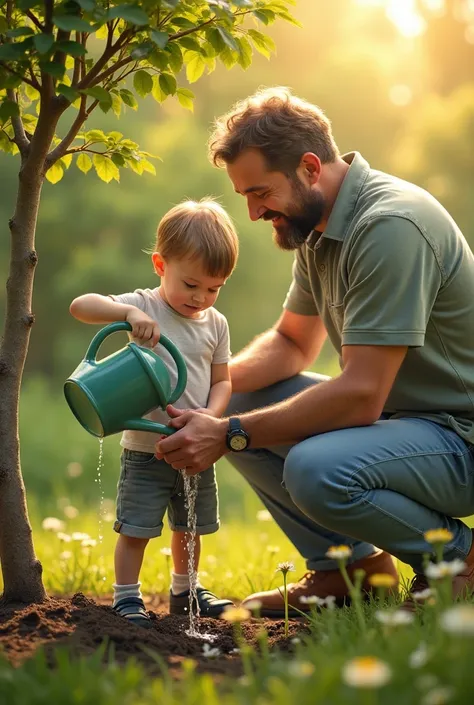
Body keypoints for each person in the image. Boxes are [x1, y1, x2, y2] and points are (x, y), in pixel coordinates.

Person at [155, 87, 474, 616]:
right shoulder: (318, 228)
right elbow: (292, 344)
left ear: (308, 167)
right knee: (232, 398)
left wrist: (230, 434)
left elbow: (362, 397)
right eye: (245, 198)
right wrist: (200, 380)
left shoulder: (389, 227)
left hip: (458, 437)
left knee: (313, 467)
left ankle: (460, 560)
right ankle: (348, 572)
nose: (254, 213)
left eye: (260, 193)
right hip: (408, 427)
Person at [70, 199, 238, 626]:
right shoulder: (145, 305)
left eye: (214, 288)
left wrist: (213, 419)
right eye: (191, 284)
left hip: (194, 446)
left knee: (192, 526)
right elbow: (81, 305)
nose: (201, 298)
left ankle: (187, 590)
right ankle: (127, 596)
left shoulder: (216, 323)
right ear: (161, 265)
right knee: (136, 528)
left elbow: (222, 381)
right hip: (146, 448)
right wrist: (127, 313)